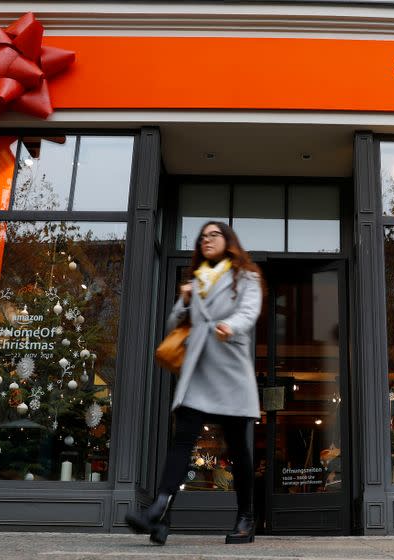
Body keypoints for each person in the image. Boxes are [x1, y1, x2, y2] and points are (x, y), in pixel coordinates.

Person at [125, 221, 263, 545]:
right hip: (199, 369)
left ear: (228, 241)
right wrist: (185, 300)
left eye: (214, 235)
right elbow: (174, 321)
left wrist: (230, 325)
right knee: (182, 441)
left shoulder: (247, 277)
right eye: (203, 237)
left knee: (239, 449)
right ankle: (158, 512)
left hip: (229, 370)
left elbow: (249, 312)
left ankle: (246, 517)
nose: (207, 240)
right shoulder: (197, 280)